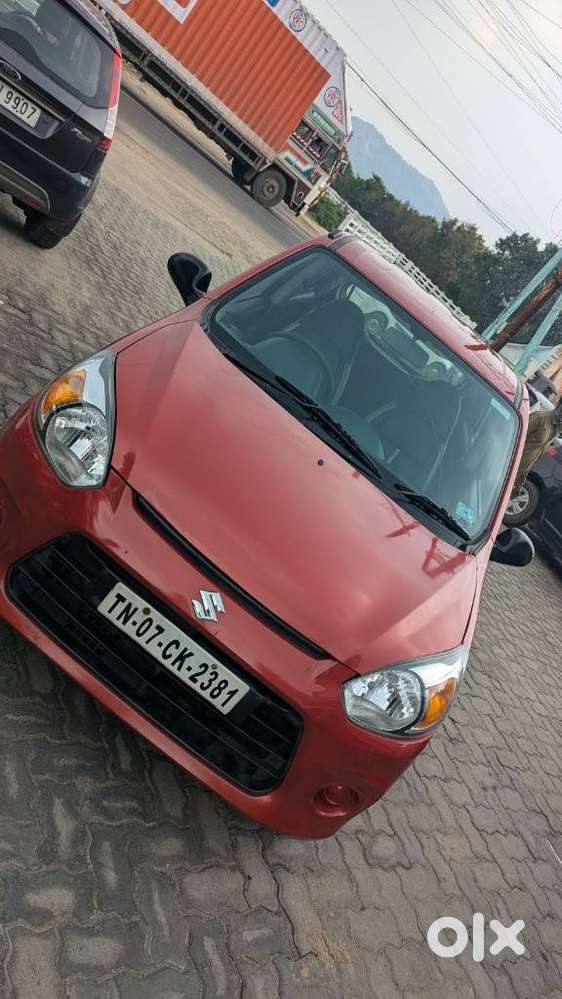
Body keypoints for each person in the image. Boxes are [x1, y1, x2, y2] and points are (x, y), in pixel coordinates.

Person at [512, 398, 562, 495]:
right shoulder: (540, 418)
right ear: (559, 405)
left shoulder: (555, 430)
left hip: (517, 473)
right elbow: (513, 437)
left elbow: (533, 457)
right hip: (505, 467)